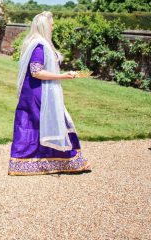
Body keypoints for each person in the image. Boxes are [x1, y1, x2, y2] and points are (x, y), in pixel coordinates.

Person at [8, 11, 91, 175]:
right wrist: (63, 76)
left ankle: (43, 162)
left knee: (40, 124)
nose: (53, 27)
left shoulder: (38, 43)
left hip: (37, 91)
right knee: (49, 122)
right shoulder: (39, 46)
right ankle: (63, 160)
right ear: (45, 26)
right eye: (51, 25)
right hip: (38, 93)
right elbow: (36, 71)